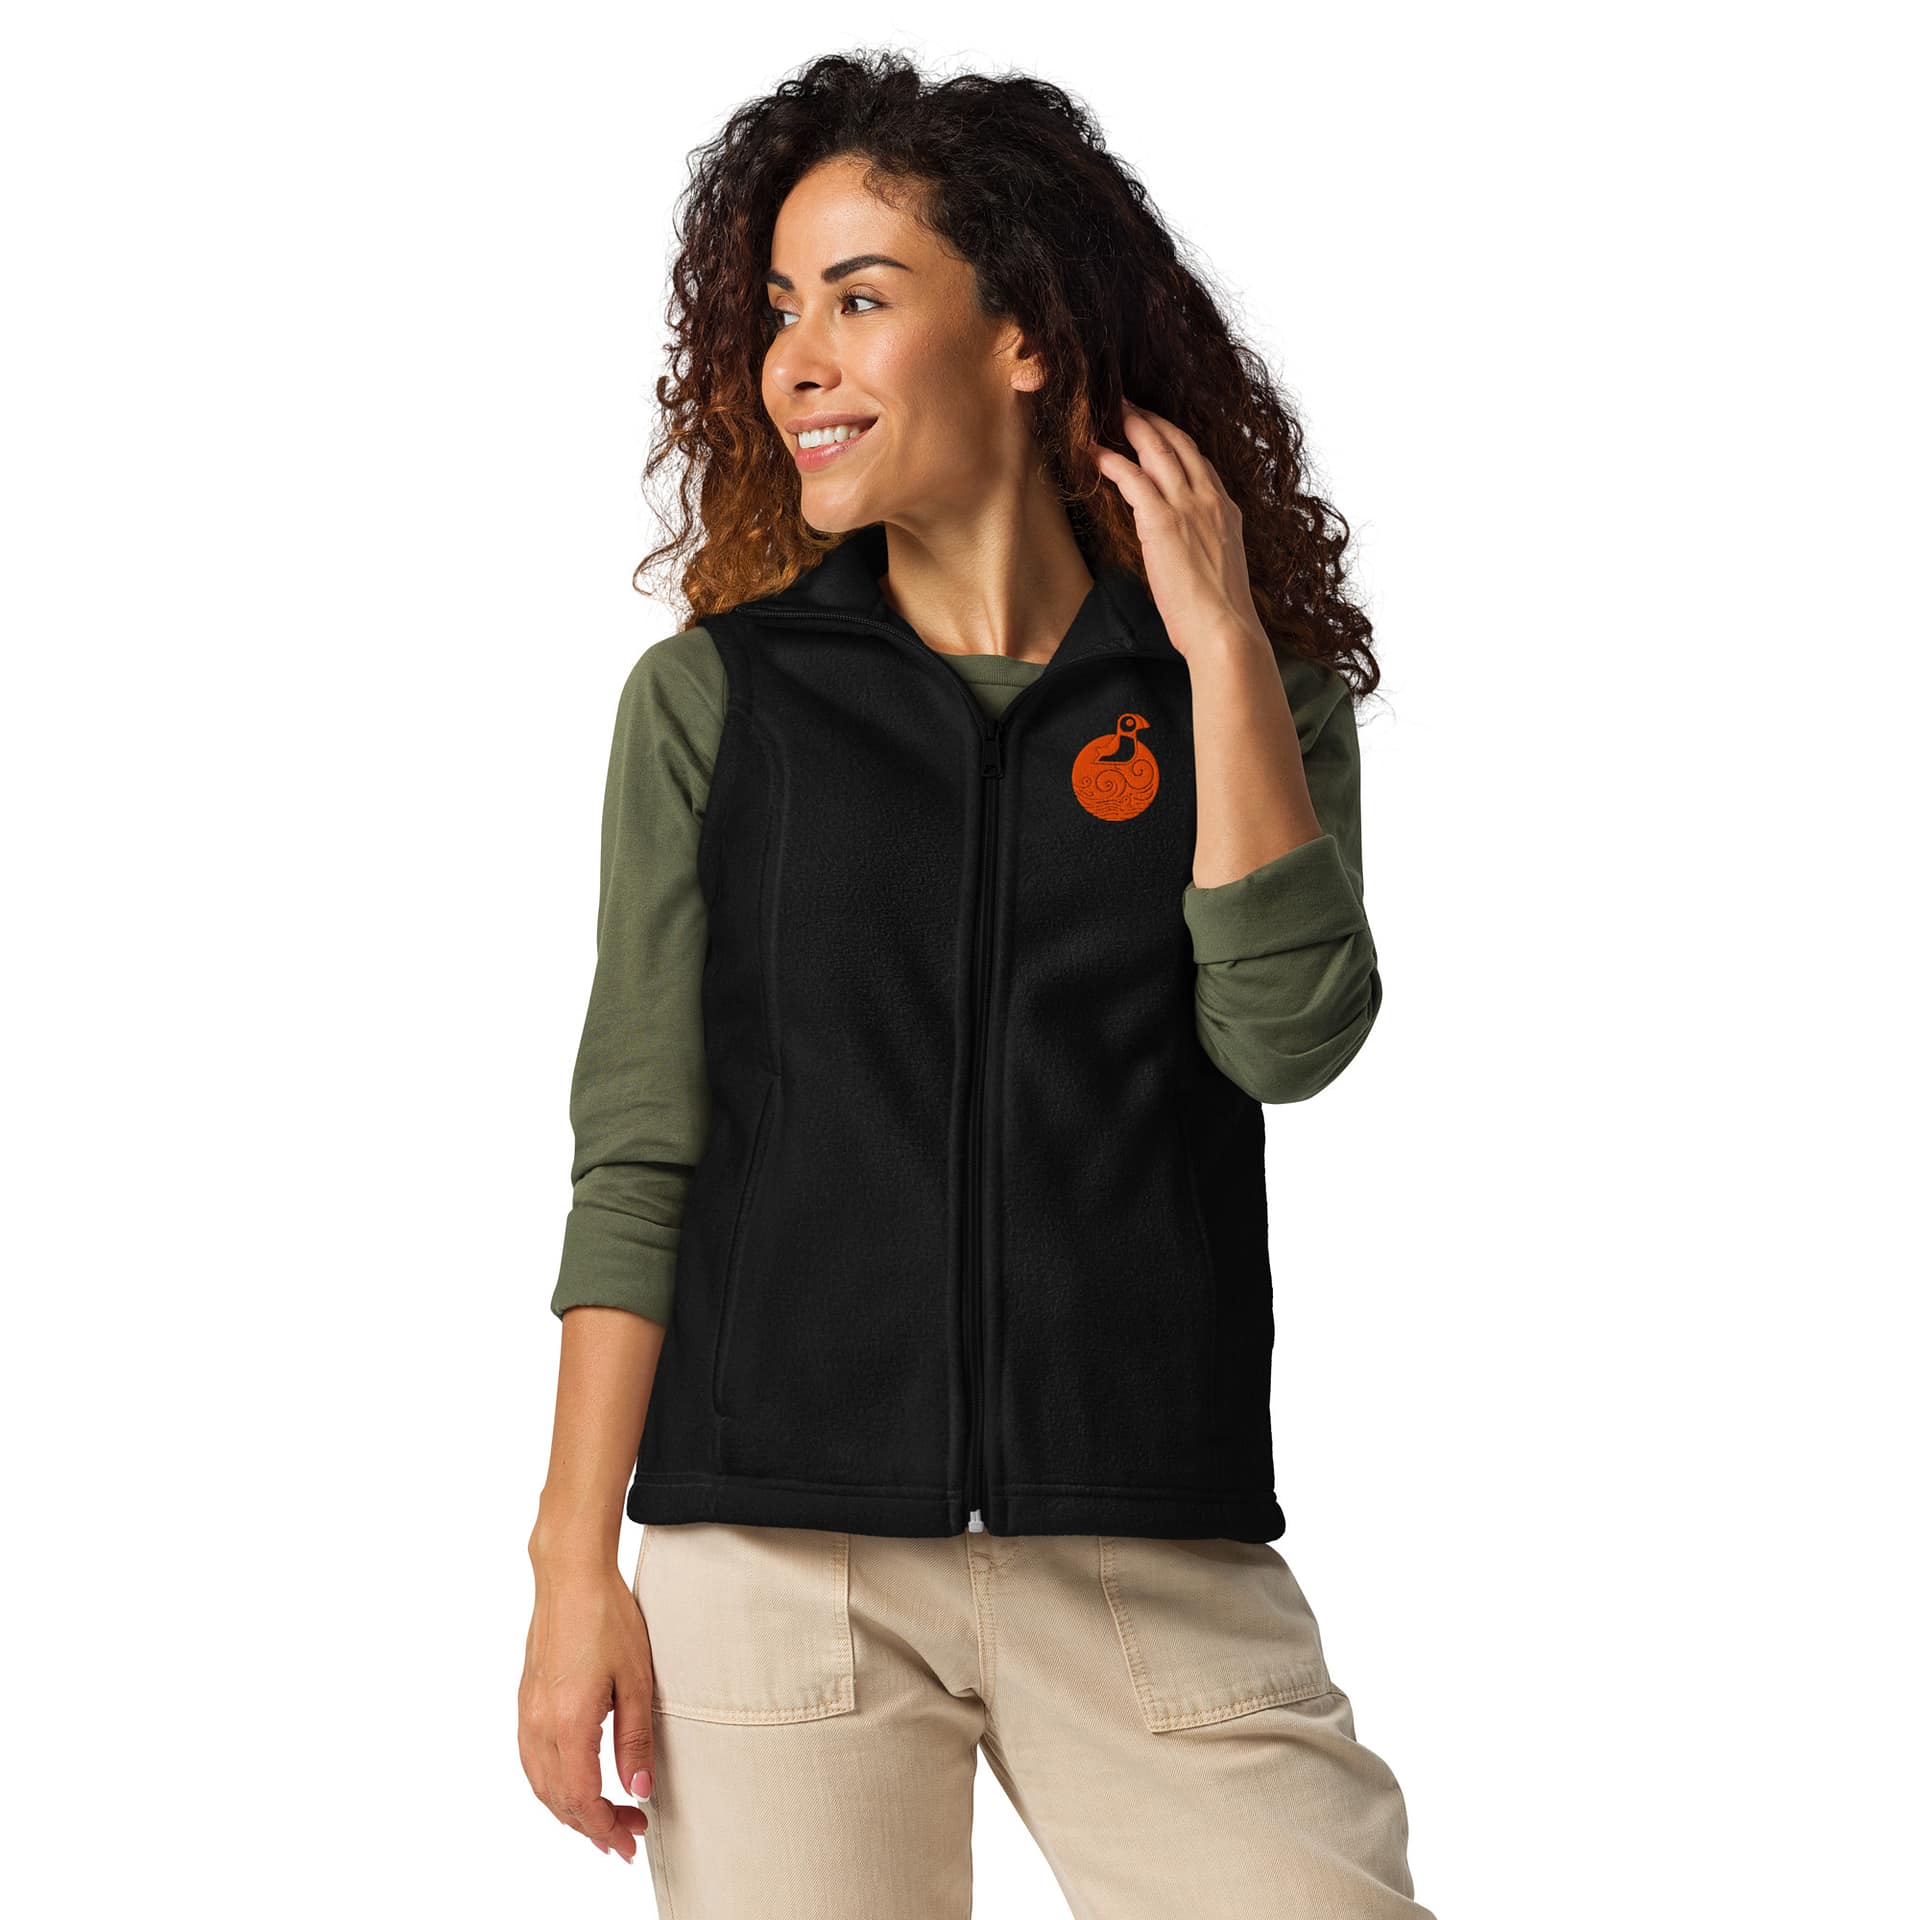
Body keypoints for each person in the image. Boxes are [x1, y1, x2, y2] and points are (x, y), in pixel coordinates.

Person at [519, 49, 1434, 1918]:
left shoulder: (1244, 699)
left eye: (860, 300)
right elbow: (642, 1148)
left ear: (1023, 335)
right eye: (782, 310)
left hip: (1144, 1544)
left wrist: (1220, 646)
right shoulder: (718, 706)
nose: (797, 361)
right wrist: (569, 1566)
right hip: (775, 1557)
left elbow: (1286, 1038)